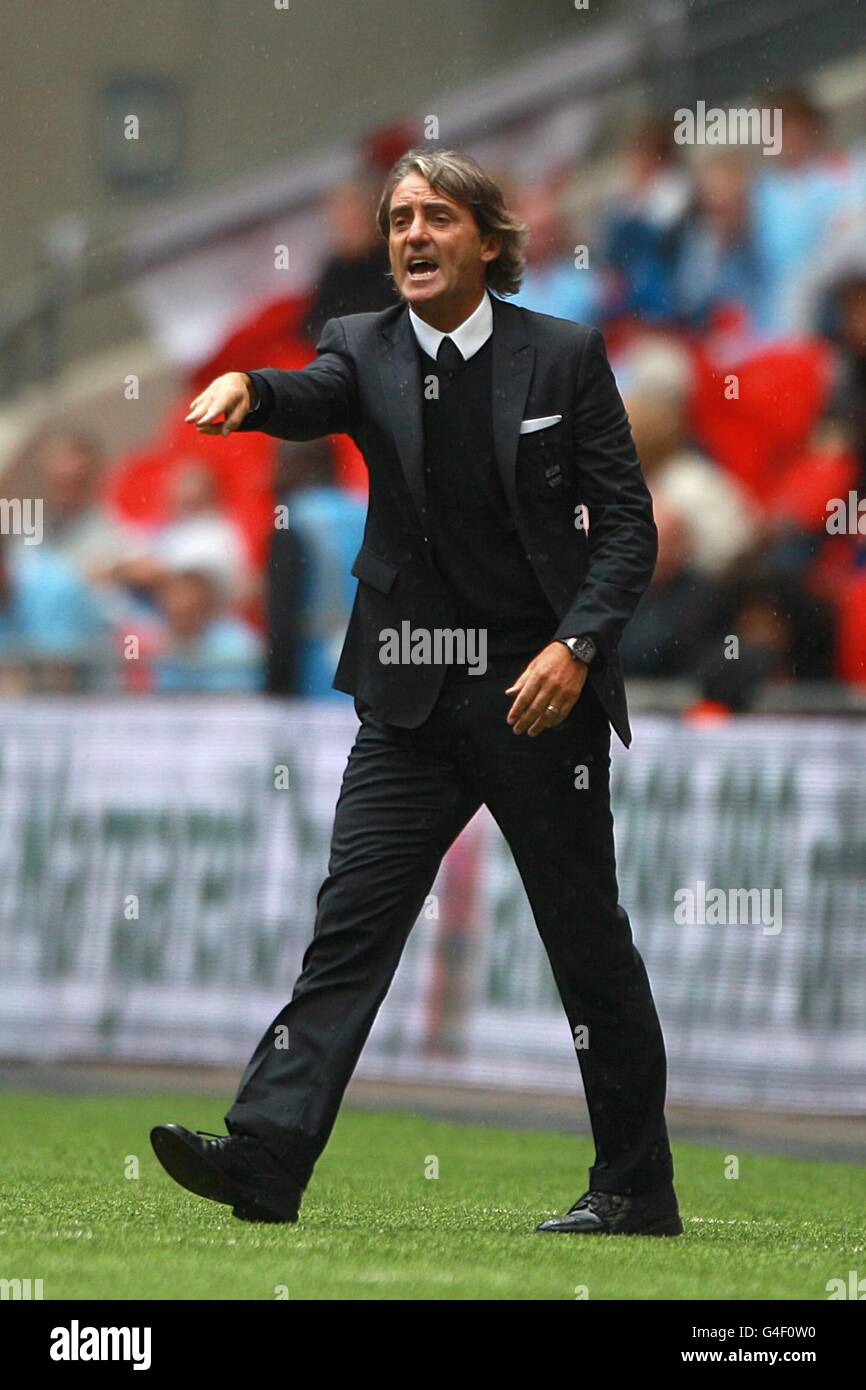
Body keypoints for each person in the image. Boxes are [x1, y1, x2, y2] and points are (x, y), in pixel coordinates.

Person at [151, 148, 681, 1238]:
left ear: (487, 240)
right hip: (407, 698)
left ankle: (635, 1186)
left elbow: (626, 528)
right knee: (348, 924)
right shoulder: (360, 343)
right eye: (397, 218)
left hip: (537, 695)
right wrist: (252, 392)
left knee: (585, 942)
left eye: (435, 216)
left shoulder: (566, 357)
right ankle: (266, 1156)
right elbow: (311, 392)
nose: (410, 235)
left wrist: (576, 648)